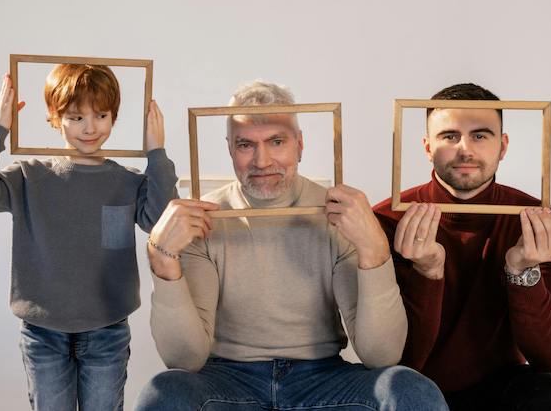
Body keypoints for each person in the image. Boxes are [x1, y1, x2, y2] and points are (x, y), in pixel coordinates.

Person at [135, 81, 447, 411]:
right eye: (245, 145)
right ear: (229, 148)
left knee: (411, 389)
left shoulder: (339, 216)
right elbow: (184, 359)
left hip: (324, 379)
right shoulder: (203, 219)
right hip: (227, 379)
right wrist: (163, 260)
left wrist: (374, 251)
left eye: (277, 141)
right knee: (163, 391)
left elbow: (381, 355)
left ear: (300, 145)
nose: (262, 160)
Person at [0, 65, 178, 411]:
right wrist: (0, 128)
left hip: (107, 329)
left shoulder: (127, 182)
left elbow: (161, 219)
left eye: (101, 115)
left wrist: (156, 154)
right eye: (75, 117)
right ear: (55, 118)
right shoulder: (30, 177)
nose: (90, 128)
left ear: (114, 117)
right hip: (43, 332)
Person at [373, 83, 551, 410]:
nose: (465, 149)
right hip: (412, 390)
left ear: (502, 146)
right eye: (449, 136)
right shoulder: (387, 218)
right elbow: (402, 359)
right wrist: (427, 272)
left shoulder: (536, 218)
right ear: (427, 147)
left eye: (480, 135)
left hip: (501, 389)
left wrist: (522, 271)